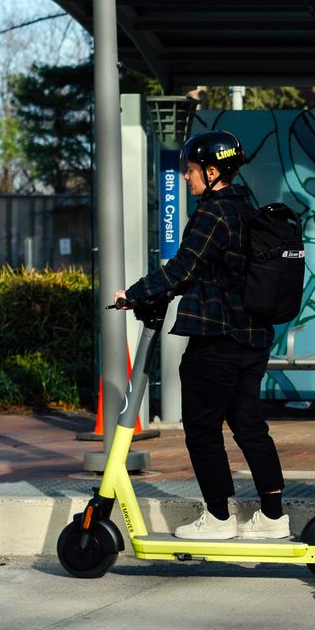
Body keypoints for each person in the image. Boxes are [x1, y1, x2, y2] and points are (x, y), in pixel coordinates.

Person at [116, 129, 288, 540]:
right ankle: (273, 517)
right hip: (253, 337)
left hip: (217, 338)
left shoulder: (214, 213)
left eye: (192, 171)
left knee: (202, 428)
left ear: (212, 172)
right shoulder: (247, 207)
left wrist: (133, 295)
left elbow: (184, 267)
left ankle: (218, 518)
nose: (188, 178)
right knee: (249, 425)